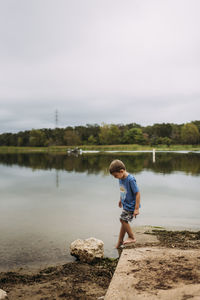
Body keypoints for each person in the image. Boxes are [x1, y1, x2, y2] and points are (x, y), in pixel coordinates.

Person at [109, 159, 141, 248]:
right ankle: (120, 241)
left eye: (115, 175)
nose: (115, 177)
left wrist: (136, 208)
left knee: (122, 220)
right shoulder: (121, 178)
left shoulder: (130, 179)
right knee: (124, 222)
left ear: (121, 171)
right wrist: (120, 200)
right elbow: (123, 190)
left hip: (132, 205)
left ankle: (132, 237)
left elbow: (137, 193)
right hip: (126, 204)